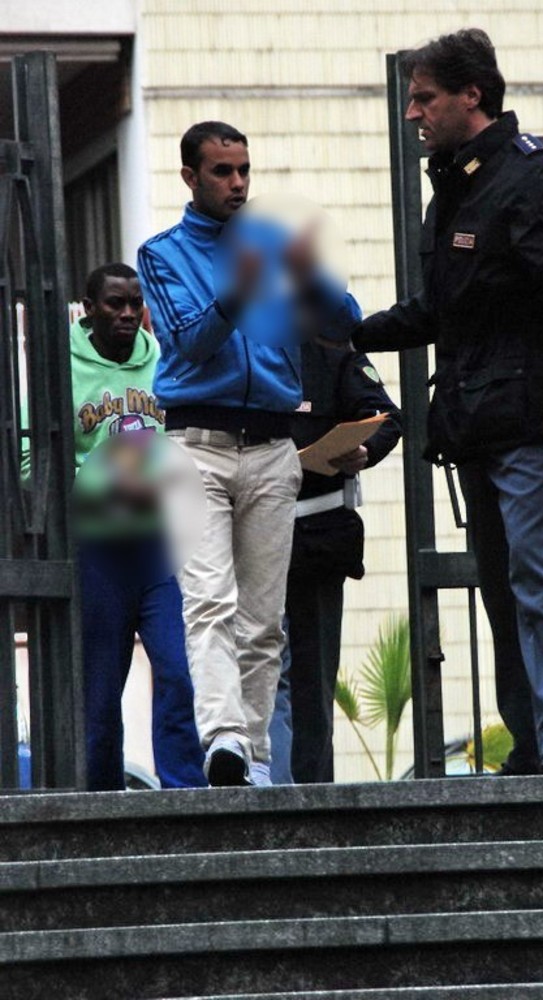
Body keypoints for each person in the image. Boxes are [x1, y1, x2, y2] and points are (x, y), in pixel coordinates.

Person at [330, 29, 543, 775]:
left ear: (471, 96)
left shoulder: (533, 179)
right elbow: (440, 310)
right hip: (474, 423)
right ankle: (531, 747)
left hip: (528, 419)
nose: (412, 114)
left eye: (424, 99)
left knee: (535, 578)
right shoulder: (456, 187)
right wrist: (350, 332)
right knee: (502, 590)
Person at [137, 122, 352, 786]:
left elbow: (344, 325)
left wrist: (309, 278)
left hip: (271, 445)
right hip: (194, 446)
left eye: (244, 170)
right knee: (209, 600)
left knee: (264, 621)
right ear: (190, 177)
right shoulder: (162, 254)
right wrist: (237, 291)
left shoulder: (275, 244)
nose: (237, 183)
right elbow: (189, 342)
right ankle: (223, 737)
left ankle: (250, 758)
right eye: (222, 171)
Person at [71, 262, 206, 790]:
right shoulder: (65, 366)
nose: (128, 313)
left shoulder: (164, 362)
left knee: (177, 668)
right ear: (89, 309)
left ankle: (184, 794)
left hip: (158, 544)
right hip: (98, 545)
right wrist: (95, 483)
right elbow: (31, 454)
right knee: (101, 690)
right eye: (115, 304)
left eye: (135, 303)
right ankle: (101, 803)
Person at [269, 341, 402, 784]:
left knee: (313, 681)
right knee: (258, 676)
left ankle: (311, 796)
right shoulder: (241, 348)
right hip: (249, 537)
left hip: (316, 540)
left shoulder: (330, 352)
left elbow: (385, 417)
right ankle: (265, 791)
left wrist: (364, 451)